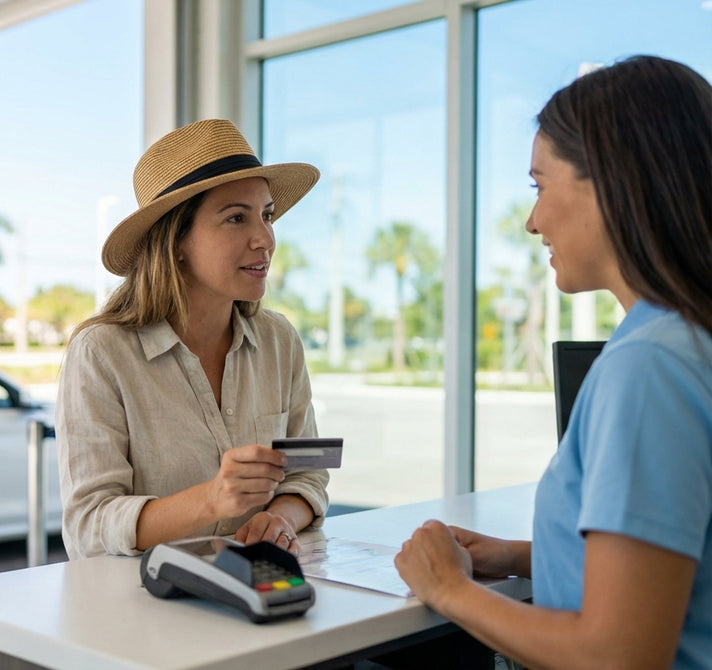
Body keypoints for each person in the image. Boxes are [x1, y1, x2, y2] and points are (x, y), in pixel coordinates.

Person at [394, 55, 712, 670]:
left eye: (540, 186)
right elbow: (678, 554)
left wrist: (447, 589)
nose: (532, 219)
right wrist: (518, 556)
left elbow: (618, 655)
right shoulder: (685, 339)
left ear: (616, 182)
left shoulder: (648, 367)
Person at [56, 119, 330, 560]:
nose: (264, 239)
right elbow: (90, 522)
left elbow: (307, 476)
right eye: (236, 218)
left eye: (267, 215)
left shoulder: (280, 341)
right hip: (145, 609)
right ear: (176, 240)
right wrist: (213, 499)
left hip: (263, 589)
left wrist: (280, 517)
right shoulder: (101, 354)